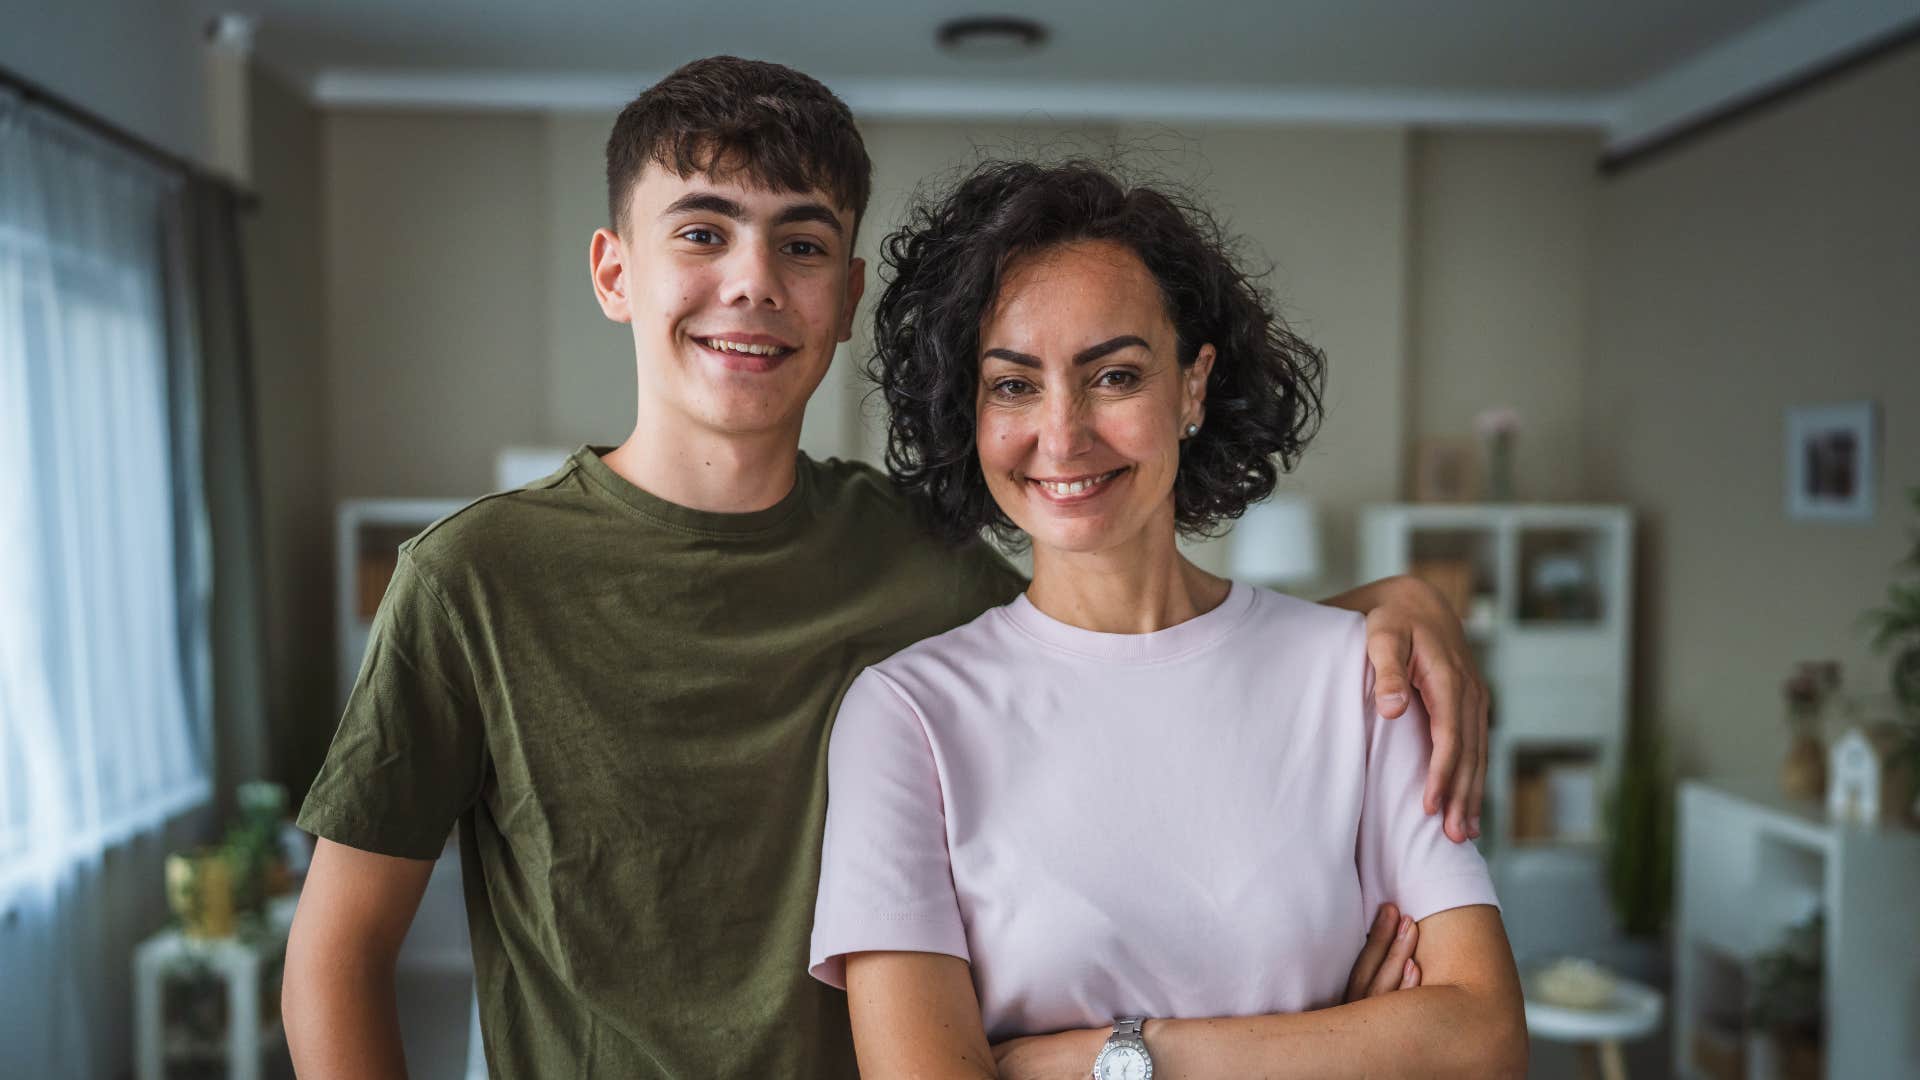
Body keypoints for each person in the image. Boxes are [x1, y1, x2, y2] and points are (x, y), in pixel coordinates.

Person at [282, 58, 1493, 1078]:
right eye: (702, 232)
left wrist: (1387, 610)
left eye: (800, 244)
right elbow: (337, 959)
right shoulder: (475, 578)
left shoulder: (920, 550)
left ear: (849, 295)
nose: (752, 282)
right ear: (615, 271)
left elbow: (1128, 652)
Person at [809, 160, 1526, 1079]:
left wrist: (1103, 1060)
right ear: (970, 410)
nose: (1063, 436)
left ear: (1192, 387)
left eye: (1113, 375)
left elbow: (1483, 1042)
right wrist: (1340, 1046)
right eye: (1014, 385)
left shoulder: (1365, 677)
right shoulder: (906, 718)